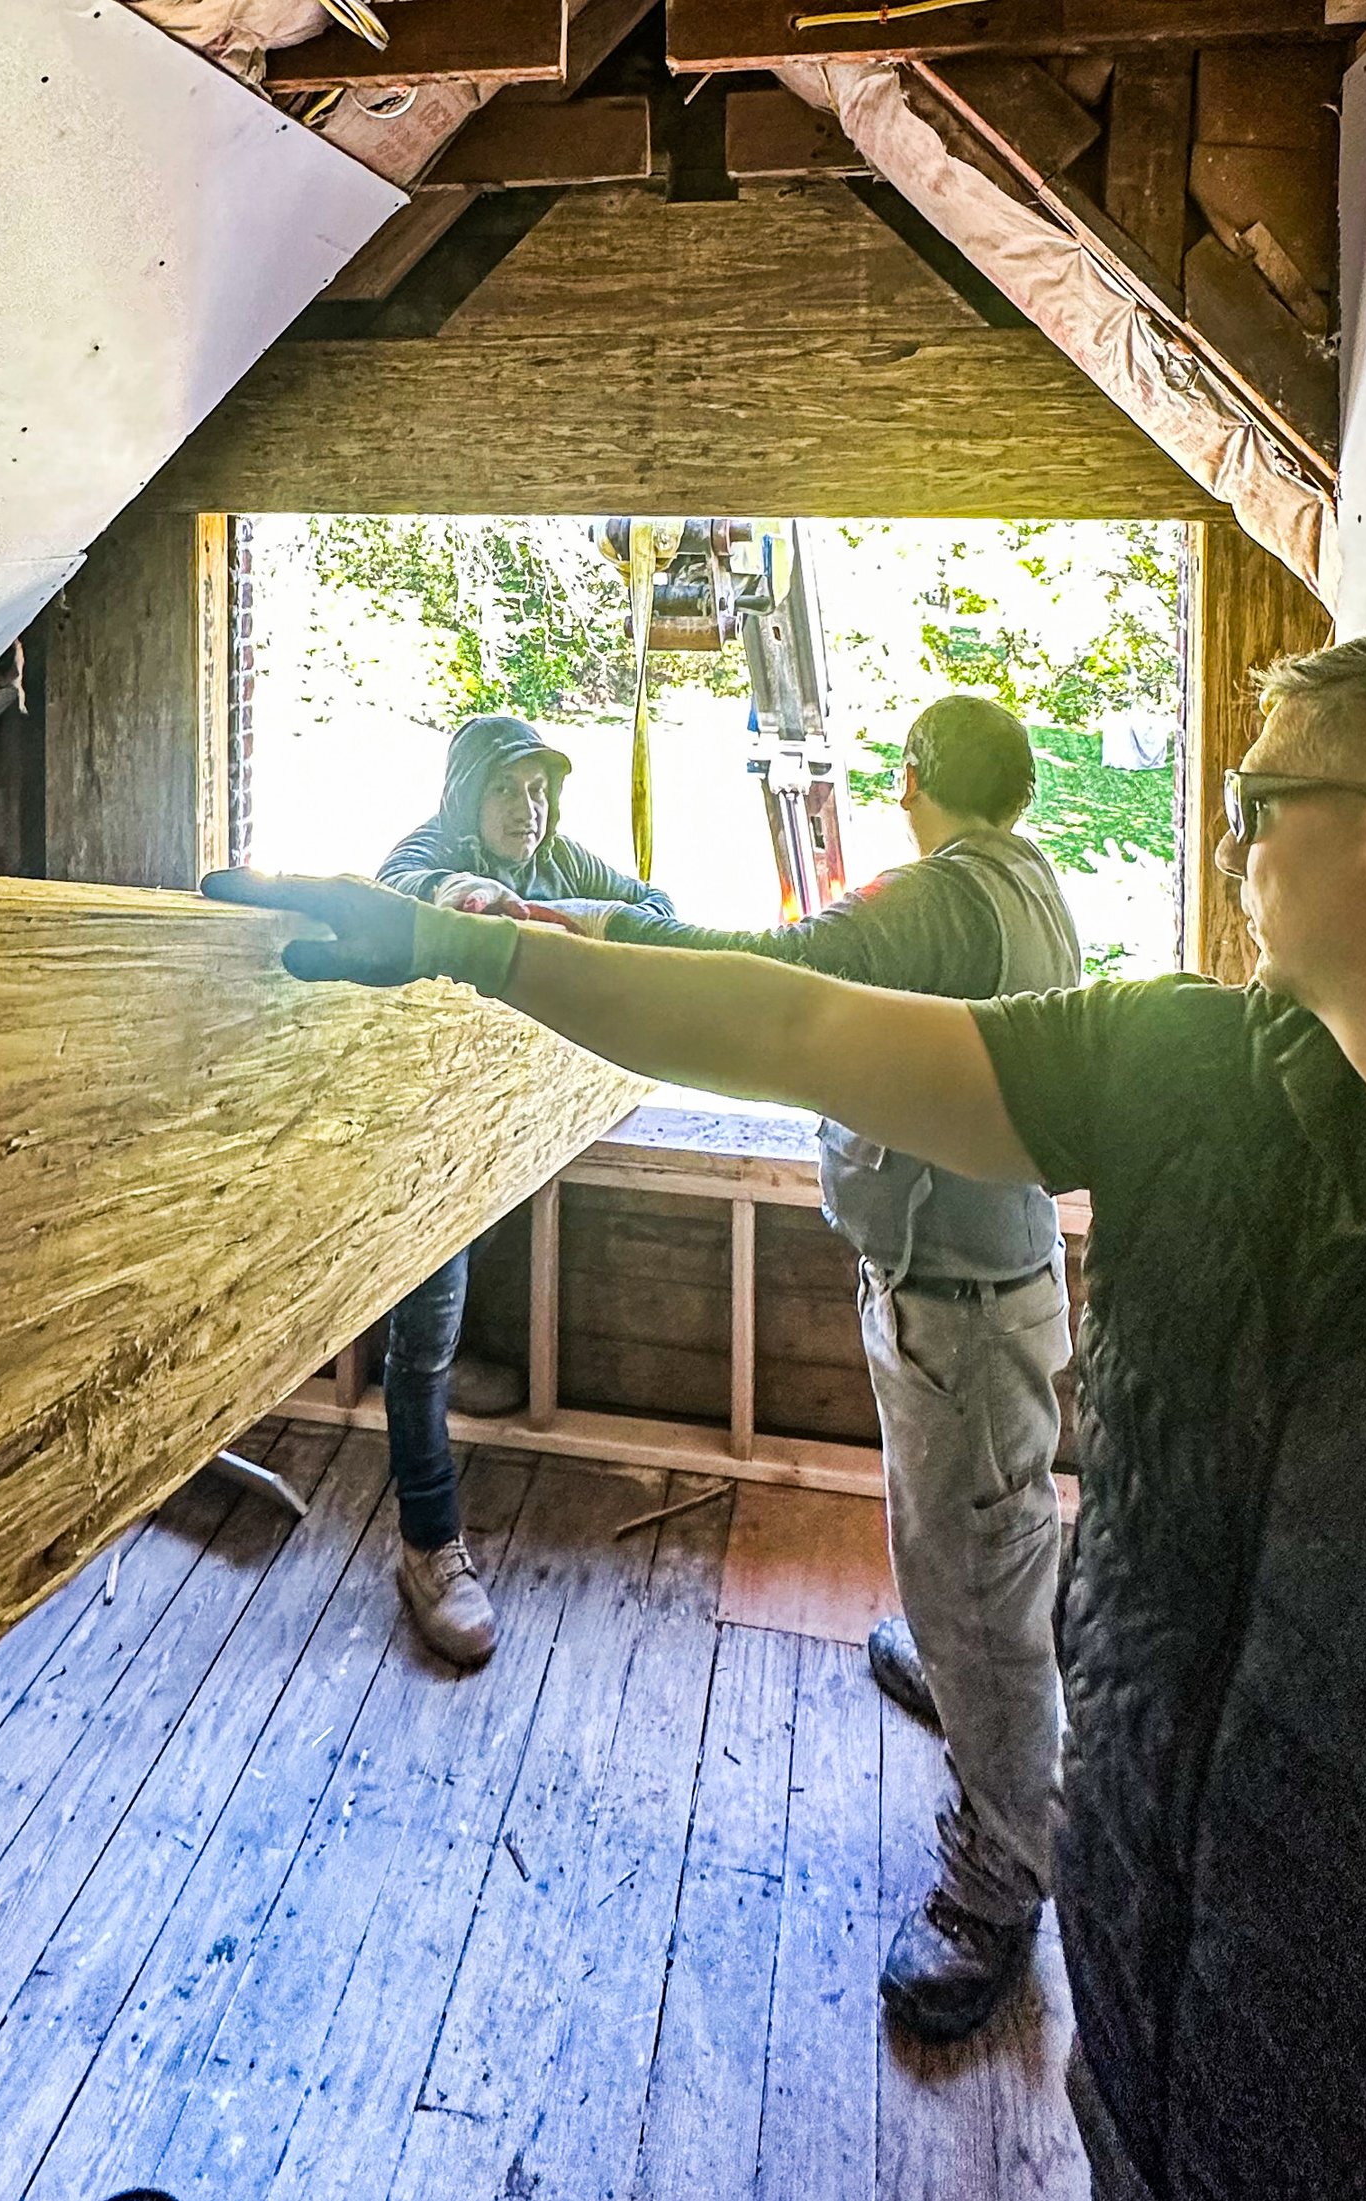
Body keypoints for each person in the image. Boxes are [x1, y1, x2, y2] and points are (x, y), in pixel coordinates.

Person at [209, 621, 1366, 2200]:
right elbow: (797, 1026)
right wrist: (470, 948)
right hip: (1154, 2053)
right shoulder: (1192, 1078)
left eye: (1255, 805)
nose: (1229, 847)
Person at [592, 690, 1081, 2038]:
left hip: (961, 1302)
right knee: (969, 1541)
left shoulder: (939, 896)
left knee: (980, 1577)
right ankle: (959, 1657)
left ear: (914, 776)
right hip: (983, 1277)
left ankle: (1000, 1877)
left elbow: (772, 974)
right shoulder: (1025, 878)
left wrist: (599, 930)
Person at [370, 712, 675, 1667]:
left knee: (478, 1283)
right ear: (467, 795)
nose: (527, 809)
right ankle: (427, 1543)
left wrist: (574, 920)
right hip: (426, 1127)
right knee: (423, 1330)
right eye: (507, 789)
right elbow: (397, 888)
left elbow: (654, 906)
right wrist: (469, 898)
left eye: (539, 791)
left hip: (506, 1118)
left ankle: (456, 1368)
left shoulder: (558, 859)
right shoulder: (430, 850)